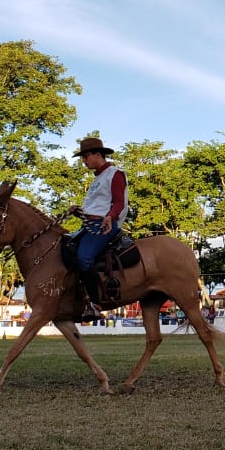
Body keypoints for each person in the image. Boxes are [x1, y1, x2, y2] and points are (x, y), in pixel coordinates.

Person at [71, 137, 129, 321]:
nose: (84, 160)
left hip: (105, 226)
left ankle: (95, 304)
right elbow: (96, 208)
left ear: (98, 154)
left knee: (84, 257)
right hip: (90, 225)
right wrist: (79, 212)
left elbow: (119, 203)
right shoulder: (97, 179)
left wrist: (110, 217)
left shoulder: (115, 174)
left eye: (86, 156)